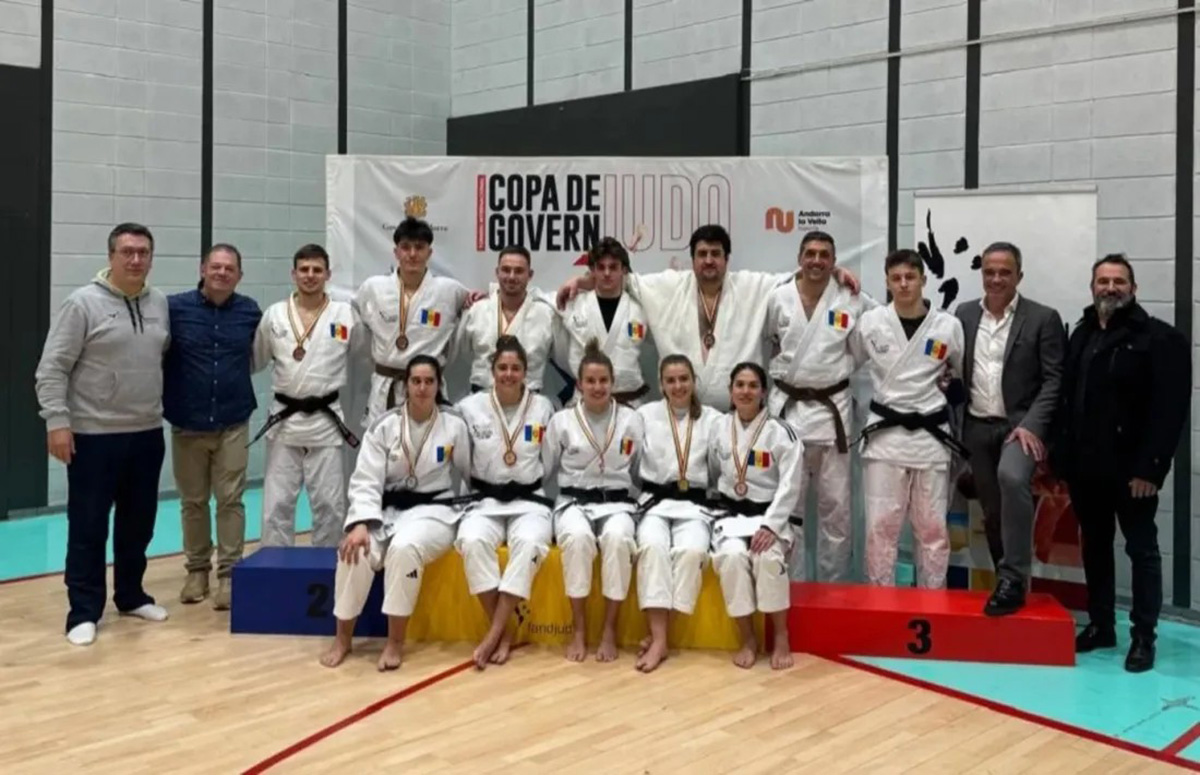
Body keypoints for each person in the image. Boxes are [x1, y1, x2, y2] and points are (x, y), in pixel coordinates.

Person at [35, 222, 172, 646]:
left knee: (138, 525)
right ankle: (83, 611)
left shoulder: (159, 303)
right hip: (93, 436)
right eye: (127, 252)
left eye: (143, 252)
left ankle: (131, 596)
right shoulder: (82, 304)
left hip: (146, 433)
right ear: (111, 255)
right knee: (89, 526)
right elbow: (51, 368)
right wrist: (57, 422)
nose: (136, 259)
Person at [1053, 254, 1189, 672]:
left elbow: (1170, 411)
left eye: (1119, 281)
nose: (1110, 288)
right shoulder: (1082, 334)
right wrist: (1062, 460)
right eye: (1103, 281)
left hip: (1133, 473)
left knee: (1141, 551)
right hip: (1086, 468)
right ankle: (1101, 625)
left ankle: (1144, 636)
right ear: (1092, 287)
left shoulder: (1159, 338)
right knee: (1095, 548)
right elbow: (1068, 400)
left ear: (1134, 288)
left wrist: (1151, 468)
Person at [557, 224, 860, 409]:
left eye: (716, 254)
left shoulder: (751, 286)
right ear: (692, 259)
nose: (709, 260)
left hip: (737, 412)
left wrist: (832, 271)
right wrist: (582, 281)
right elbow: (621, 280)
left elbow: (796, 277)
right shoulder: (668, 286)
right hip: (683, 412)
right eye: (702, 254)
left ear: (727, 259)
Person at [319, 356, 472, 670]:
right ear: (405, 386)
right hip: (387, 510)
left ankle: (394, 642)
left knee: (404, 549)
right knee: (355, 551)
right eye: (416, 381)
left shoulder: (454, 425)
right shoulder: (384, 426)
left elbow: (473, 475)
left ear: (438, 385)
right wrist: (360, 523)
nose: (422, 388)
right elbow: (365, 479)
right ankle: (342, 638)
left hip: (434, 512)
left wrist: (474, 517)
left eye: (429, 381)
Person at [955, 241, 1065, 615]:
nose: (996, 279)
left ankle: (1014, 578)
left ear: (1019, 275)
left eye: (1005, 272)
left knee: (1012, 477)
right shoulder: (964, 314)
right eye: (989, 272)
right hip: (976, 425)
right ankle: (1007, 580)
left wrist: (1033, 425)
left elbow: (1054, 380)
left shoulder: (1042, 318)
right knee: (991, 509)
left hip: (1019, 427)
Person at [851, 249, 965, 589]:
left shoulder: (948, 326)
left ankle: (933, 600)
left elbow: (958, 372)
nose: (903, 284)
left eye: (910, 277)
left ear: (923, 280)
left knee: (932, 529)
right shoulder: (870, 323)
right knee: (880, 528)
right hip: (886, 437)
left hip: (930, 436)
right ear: (887, 282)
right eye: (896, 278)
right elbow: (852, 360)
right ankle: (880, 601)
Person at [765, 230, 869, 582]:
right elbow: (767, 343)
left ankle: (833, 591)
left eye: (825, 255)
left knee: (836, 512)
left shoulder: (851, 299)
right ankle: (788, 586)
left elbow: (877, 334)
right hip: (788, 412)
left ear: (834, 261)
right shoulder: (778, 297)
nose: (817, 260)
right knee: (788, 507)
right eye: (810, 253)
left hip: (831, 412)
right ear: (799, 258)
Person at [164, 243, 262, 610]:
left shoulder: (250, 312)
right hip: (187, 423)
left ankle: (229, 575)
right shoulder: (174, 309)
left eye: (229, 268)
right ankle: (197, 571)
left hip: (233, 421)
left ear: (239, 275)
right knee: (192, 502)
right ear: (202, 269)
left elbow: (258, 357)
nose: (222, 273)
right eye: (215, 266)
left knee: (230, 500)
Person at [454, 335, 556, 669]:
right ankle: (506, 629)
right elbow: (462, 459)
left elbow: (549, 460)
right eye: (502, 367)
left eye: (515, 368)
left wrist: (526, 479)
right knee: (471, 542)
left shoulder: (544, 407)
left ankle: (494, 633)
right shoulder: (469, 408)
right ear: (492, 370)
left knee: (529, 544)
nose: (509, 374)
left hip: (529, 499)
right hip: (485, 499)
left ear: (526, 372)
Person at [251, 244, 361, 549]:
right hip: (284, 422)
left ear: (328, 274)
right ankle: (275, 565)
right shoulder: (274, 315)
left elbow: (361, 354)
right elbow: (256, 358)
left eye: (317, 270)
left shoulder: (345, 315)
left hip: (326, 422)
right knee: (276, 505)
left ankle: (326, 565)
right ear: (294, 273)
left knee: (330, 504)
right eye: (304, 269)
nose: (310, 275)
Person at [543, 339, 645, 662]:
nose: (597, 387)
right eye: (590, 381)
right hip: (573, 502)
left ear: (613, 382)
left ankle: (610, 629)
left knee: (618, 539)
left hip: (617, 503)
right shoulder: (561, 421)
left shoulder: (631, 420)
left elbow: (640, 471)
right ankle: (578, 629)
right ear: (579, 384)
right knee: (577, 539)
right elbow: (545, 469)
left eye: (603, 380)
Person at [708, 362, 803, 670]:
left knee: (767, 559)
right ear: (730, 391)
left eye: (752, 386)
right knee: (732, 559)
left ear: (764, 392)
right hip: (730, 516)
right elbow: (712, 472)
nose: (745, 391)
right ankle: (747, 638)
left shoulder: (782, 433)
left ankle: (781, 636)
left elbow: (790, 485)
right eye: (739, 385)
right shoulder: (719, 427)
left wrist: (771, 526)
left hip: (768, 518)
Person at [633, 355, 722, 672]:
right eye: (670, 380)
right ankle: (660, 640)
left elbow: (717, 469)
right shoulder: (644, 416)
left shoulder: (713, 419)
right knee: (652, 548)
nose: (678, 386)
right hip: (655, 502)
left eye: (684, 379)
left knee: (692, 552)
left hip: (695, 505)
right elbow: (633, 464)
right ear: (661, 385)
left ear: (694, 381)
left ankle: (660, 636)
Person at [354, 216, 474, 424]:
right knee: (383, 441)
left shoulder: (449, 291)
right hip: (386, 388)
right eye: (405, 247)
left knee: (431, 440)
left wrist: (476, 299)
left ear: (429, 252)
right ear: (396, 252)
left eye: (419, 247)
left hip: (427, 386)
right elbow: (354, 324)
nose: (412, 254)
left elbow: (474, 307)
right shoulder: (373, 288)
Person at [556, 237, 652, 406]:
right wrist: (576, 282)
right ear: (592, 270)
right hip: (584, 403)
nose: (607, 273)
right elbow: (533, 300)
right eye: (601, 267)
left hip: (629, 403)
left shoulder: (640, 309)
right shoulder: (572, 304)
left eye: (613, 267)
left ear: (624, 270)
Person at [454, 245, 556, 394]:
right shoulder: (477, 310)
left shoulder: (546, 315)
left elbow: (561, 356)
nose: (512, 277)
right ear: (497, 272)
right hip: (482, 398)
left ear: (530, 275)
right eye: (506, 270)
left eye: (519, 271)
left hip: (529, 400)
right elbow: (464, 352)